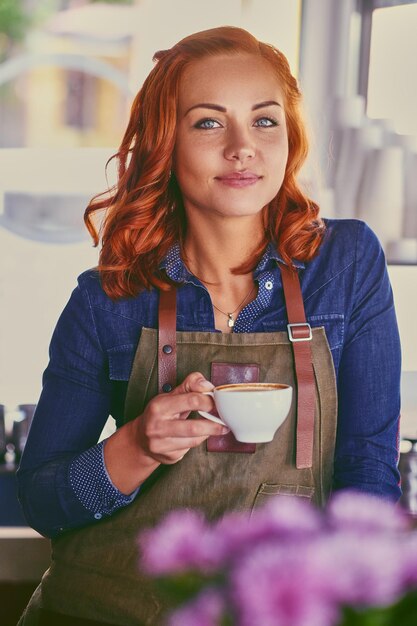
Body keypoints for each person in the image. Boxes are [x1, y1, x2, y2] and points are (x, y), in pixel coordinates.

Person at [17, 25, 401, 626]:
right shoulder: (107, 300)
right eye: (208, 122)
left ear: (289, 138)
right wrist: (136, 446)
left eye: (265, 120)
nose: (243, 147)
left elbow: (366, 468)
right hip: (104, 610)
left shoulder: (346, 264)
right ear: (165, 145)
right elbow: (42, 500)